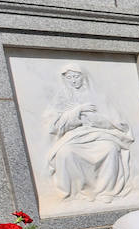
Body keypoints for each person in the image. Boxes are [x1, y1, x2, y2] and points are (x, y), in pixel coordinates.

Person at [45, 63, 134, 202]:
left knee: (110, 149)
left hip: (100, 134)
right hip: (75, 136)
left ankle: (106, 191)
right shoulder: (62, 98)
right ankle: (81, 191)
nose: (73, 80)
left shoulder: (98, 96)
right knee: (65, 153)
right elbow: (55, 126)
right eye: (69, 77)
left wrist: (96, 120)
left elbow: (116, 121)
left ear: (83, 77)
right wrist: (78, 111)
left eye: (76, 76)